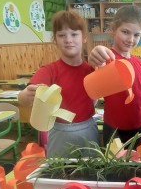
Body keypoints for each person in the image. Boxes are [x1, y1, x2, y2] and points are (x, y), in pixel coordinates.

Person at [18, 10, 98, 157]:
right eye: (62, 35)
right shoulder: (49, 70)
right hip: (60, 132)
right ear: (55, 39)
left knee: (91, 169)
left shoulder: (91, 71)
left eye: (74, 34)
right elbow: (23, 99)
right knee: (60, 170)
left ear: (84, 38)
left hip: (88, 129)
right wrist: (25, 95)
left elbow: (96, 98)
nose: (68, 39)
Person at [88, 6, 141, 145]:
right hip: (115, 129)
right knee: (115, 160)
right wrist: (97, 54)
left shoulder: (139, 63)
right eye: (125, 32)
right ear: (113, 29)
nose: (131, 39)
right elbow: (93, 93)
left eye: (136, 35)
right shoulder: (106, 59)